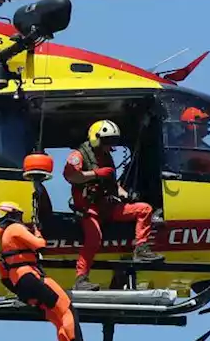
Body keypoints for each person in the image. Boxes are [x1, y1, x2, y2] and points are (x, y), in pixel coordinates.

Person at [0, 201, 135, 341]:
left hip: (20, 284)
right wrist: (38, 232)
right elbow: (40, 245)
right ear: (13, 215)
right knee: (67, 310)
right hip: (32, 276)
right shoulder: (15, 229)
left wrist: (22, 293)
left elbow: (4, 278)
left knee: (55, 318)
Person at [63, 119, 164, 291]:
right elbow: (72, 176)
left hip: (108, 206)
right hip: (89, 210)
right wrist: (95, 174)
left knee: (144, 209)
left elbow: (111, 181)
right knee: (94, 239)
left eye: (113, 142)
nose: (111, 146)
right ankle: (81, 279)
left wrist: (126, 195)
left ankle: (142, 250)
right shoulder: (78, 155)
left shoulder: (106, 157)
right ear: (97, 138)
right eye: (108, 141)